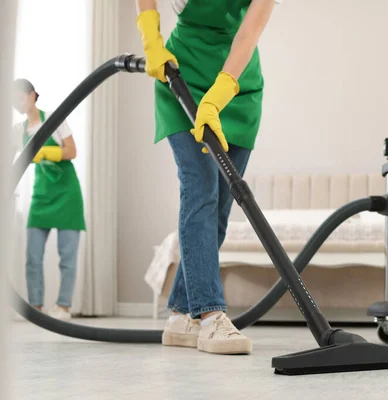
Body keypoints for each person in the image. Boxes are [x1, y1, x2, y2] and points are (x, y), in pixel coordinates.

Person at [135, 0, 280, 354]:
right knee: (200, 192)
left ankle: (181, 316)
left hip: (237, 86)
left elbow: (249, 31)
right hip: (182, 77)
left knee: (218, 213)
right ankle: (212, 317)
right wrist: (151, 36)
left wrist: (219, 95)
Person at [12, 79, 86, 321]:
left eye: (20, 97)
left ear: (32, 95)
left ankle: (63, 307)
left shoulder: (55, 119)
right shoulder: (18, 131)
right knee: (32, 257)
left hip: (67, 195)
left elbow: (72, 151)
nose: (18, 102)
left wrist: (46, 152)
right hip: (41, 195)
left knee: (67, 257)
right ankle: (36, 308)